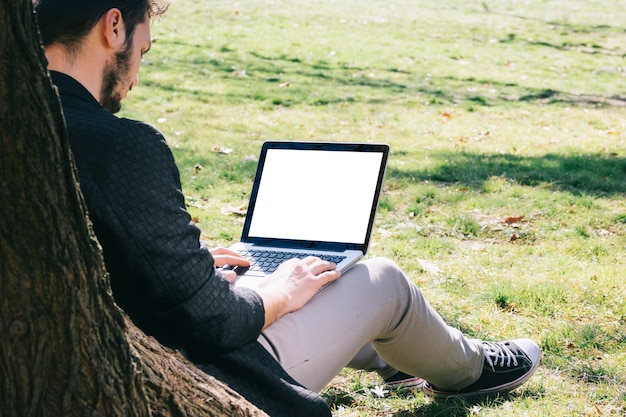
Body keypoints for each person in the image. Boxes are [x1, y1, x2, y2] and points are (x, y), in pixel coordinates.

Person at [33, 1, 541, 416]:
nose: (137, 76)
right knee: (378, 280)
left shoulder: (23, 127)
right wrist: (278, 293)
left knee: (300, 279)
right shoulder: (121, 145)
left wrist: (188, 266)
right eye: (143, 50)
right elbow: (217, 324)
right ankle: (471, 368)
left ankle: (395, 356)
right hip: (190, 381)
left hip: (96, 362)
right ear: (114, 26)